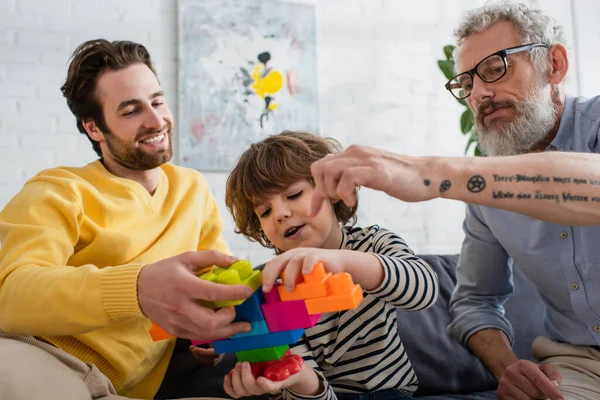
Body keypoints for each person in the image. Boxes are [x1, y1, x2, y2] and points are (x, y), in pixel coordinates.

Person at [309, 2, 600, 400]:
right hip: (577, 365)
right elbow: (474, 302)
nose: (479, 94)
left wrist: (429, 173)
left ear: (555, 64)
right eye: (466, 84)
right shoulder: (485, 196)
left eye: (495, 68)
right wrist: (508, 368)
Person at [0, 39, 254, 400]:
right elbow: (11, 294)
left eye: (157, 101)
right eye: (131, 110)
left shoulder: (192, 190)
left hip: (126, 388)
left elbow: (217, 282)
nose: (156, 120)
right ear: (94, 128)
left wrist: (219, 329)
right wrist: (136, 288)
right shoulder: (58, 190)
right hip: (41, 355)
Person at [223, 131, 439, 400]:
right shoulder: (270, 284)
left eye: (294, 194)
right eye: (265, 211)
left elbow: (425, 291)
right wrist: (298, 377)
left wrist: (342, 261)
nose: (280, 214)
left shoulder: (374, 243)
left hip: (391, 393)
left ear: (332, 190)